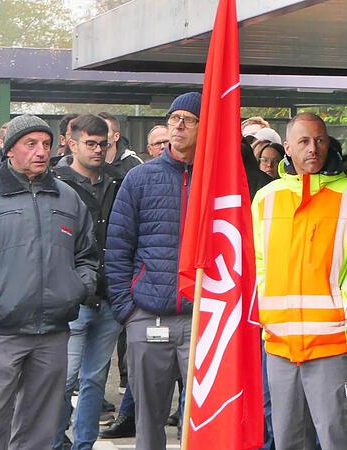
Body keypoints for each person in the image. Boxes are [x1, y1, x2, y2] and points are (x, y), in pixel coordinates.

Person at [251, 112, 347, 450]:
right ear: (287, 147)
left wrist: (342, 305)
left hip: (333, 343)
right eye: (304, 141)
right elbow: (257, 261)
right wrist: (267, 308)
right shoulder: (266, 198)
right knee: (288, 441)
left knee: (339, 439)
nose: (314, 148)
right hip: (280, 344)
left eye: (320, 140)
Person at [0, 114, 97, 449]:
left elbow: (87, 255)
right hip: (0, 332)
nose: (41, 151)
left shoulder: (67, 198)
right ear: (10, 149)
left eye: (46, 144)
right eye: (31, 144)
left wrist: (78, 289)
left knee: (40, 427)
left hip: (52, 332)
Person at [105, 92, 201, 450]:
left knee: (203, 420)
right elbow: (118, 246)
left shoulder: (219, 180)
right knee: (148, 421)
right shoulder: (140, 178)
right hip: (148, 317)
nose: (178, 125)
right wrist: (128, 311)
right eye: (174, 117)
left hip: (202, 320)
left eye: (189, 119)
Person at [52, 114, 124, 450]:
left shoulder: (118, 181)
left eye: (103, 144)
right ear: (72, 143)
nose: (98, 150)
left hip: (110, 296)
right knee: (64, 380)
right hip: (72, 299)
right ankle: (56, 442)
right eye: (91, 143)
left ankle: (84, 444)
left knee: (94, 379)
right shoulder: (56, 183)